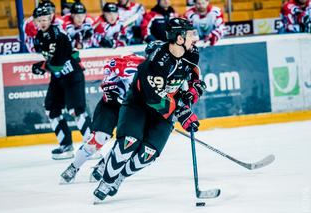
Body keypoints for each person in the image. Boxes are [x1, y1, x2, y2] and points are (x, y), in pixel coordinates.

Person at [93, 18, 206, 201]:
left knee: (148, 154)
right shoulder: (156, 63)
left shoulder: (191, 54)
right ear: (178, 39)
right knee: (129, 142)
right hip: (138, 106)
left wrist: (193, 92)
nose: (195, 38)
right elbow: (156, 99)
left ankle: (119, 178)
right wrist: (181, 111)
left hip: (164, 112)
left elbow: (193, 77)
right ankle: (107, 180)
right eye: (190, 34)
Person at [60, 54, 145, 183]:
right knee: (99, 138)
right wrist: (115, 93)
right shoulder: (130, 65)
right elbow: (107, 83)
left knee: (129, 142)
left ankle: (103, 165)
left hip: (133, 110)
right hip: (111, 106)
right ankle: (74, 167)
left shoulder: (163, 75)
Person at [32, 6, 91, 160]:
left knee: (76, 111)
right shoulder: (39, 36)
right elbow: (58, 59)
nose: (42, 22)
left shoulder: (58, 34)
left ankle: (92, 147)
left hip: (72, 76)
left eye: (44, 19)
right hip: (58, 78)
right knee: (51, 108)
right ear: (35, 22)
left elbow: (58, 63)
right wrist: (44, 66)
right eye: (39, 20)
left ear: (50, 18)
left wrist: (41, 67)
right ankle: (66, 145)